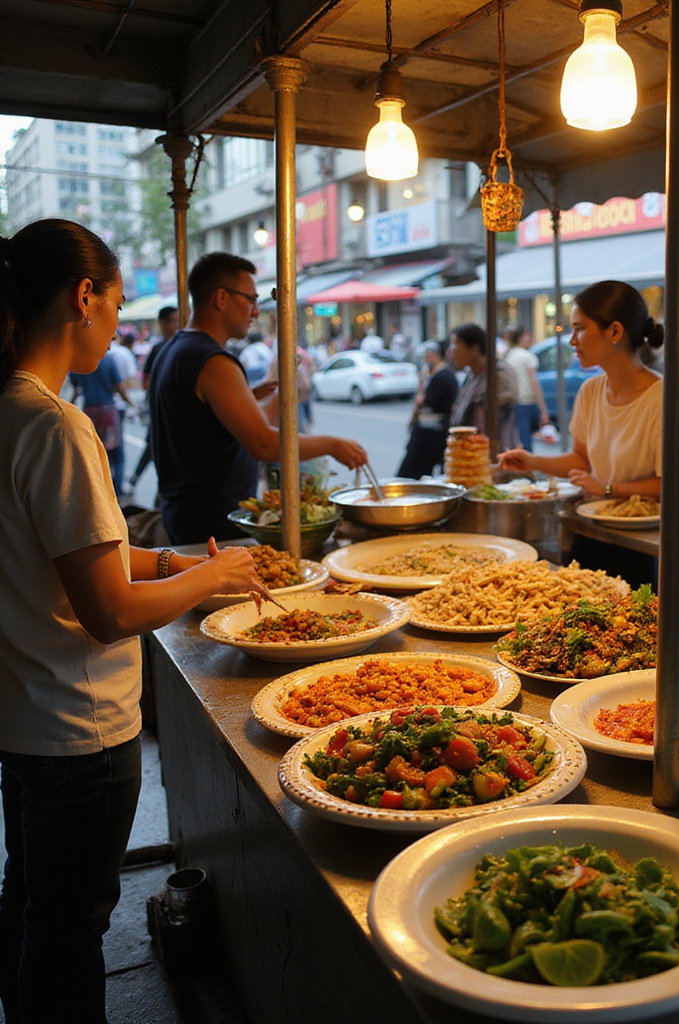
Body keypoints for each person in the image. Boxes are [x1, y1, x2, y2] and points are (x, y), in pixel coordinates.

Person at [0, 218, 268, 1024]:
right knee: (69, 929)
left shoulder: (9, 409)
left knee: (29, 903)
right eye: (115, 302)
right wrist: (215, 574)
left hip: (25, 719)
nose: (118, 319)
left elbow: (80, 557)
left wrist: (175, 563)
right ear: (84, 297)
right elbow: (109, 609)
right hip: (78, 728)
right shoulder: (55, 424)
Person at [149, 252, 367, 544]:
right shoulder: (211, 359)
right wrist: (332, 444)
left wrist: (271, 392)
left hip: (187, 515)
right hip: (212, 525)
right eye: (251, 299)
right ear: (221, 298)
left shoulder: (174, 348)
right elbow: (262, 443)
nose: (255, 311)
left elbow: (236, 428)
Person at [499, 280, 663, 499]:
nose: (573, 341)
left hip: (643, 529)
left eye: (579, 329)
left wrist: (608, 489)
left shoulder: (662, 397)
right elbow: (581, 460)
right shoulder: (591, 391)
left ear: (614, 331)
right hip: (593, 521)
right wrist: (532, 461)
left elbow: (671, 485)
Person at [68, 344, 135, 499]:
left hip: (89, 411)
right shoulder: (109, 361)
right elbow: (121, 388)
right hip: (108, 412)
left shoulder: (81, 362)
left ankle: (98, 493)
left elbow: (76, 390)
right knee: (117, 455)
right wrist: (132, 403)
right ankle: (116, 493)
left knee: (95, 454)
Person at [128, 304, 179, 491]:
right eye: (173, 320)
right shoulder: (159, 349)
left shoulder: (178, 346)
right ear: (162, 323)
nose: (176, 325)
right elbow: (146, 381)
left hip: (173, 414)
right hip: (160, 411)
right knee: (156, 449)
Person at [448, 323, 520, 452]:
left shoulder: (499, 373)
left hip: (494, 454)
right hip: (467, 453)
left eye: (457, 344)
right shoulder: (471, 374)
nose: (452, 351)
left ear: (474, 348)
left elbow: (500, 417)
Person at [396, 340, 459, 478]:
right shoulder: (434, 375)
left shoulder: (443, 377)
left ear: (437, 355)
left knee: (410, 474)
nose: (426, 359)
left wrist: (421, 396)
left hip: (432, 434)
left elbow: (426, 401)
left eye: (429, 355)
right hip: (432, 432)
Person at [502, 323, 550, 453]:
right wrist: (543, 408)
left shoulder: (508, 356)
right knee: (527, 440)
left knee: (518, 438)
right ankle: (527, 467)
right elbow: (534, 382)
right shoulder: (527, 356)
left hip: (513, 402)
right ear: (522, 337)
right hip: (527, 402)